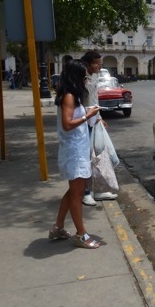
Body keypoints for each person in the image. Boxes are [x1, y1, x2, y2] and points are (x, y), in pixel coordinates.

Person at [50, 59, 102, 249]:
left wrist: (89, 114)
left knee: (74, 191)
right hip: (73, 152)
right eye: (83, 77)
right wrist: (87, 116)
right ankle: (81, 235)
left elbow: (72, 119)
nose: (85, 80)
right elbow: (67, 124)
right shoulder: (69, 96)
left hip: (77, 149)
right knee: (77, 194)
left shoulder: (72, 96)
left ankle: (58, 227)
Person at [81, 51, 118, 206]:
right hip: (83, 122)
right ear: (89, 63)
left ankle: (95, 189)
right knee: (87, 157)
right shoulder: (81, 76)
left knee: (99, 156)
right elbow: (82, 101)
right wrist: (89, 117)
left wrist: (99, 117)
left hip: (94, 119)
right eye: (97, 63)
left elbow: (94, 98)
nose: (100, 66)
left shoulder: (94, 76)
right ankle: (85, 193)